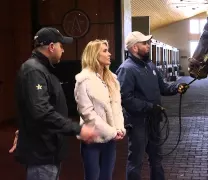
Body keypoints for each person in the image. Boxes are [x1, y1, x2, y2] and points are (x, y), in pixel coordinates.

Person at [12, 27, 97, 180]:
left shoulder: (42, 69)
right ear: (52, 47)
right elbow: (41, 111)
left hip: (48, 152)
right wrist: (77, 129)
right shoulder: (34, 71)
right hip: (42, 154)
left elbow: (32, 108)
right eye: (61, 46)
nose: (63, 50)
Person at [116, 31, 189, 180]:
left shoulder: (150, 66)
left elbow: (162, 87)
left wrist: (176, 88)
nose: (148, 45)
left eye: (148, 43)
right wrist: (149, 107)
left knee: (157, 159)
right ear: (135, 48)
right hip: (138, 124)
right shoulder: (126, 69)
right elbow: (125, 98)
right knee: (136, 161)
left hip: (154, 121)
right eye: (145, 43)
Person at [74, 39, 126, 180]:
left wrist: (119, 128)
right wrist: (111, 132)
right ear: (94, 55)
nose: (109, 54)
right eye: (104, 51)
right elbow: (88, 114)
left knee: (107, 177)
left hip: (110, 140)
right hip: (92, 140)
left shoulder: (112, 79)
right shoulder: (83, 80)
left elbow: (116, 107)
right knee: (93, 177)